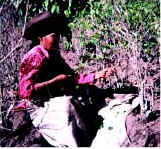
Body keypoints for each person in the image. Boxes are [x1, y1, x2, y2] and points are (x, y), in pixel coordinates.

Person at [14, 12, 115, 147]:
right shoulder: (34, 57)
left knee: (90, 94)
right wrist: (55, 81)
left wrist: (97, 75)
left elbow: (72, 76)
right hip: (36, 106)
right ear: (41, 38)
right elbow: (25, 92)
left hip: (51, 98)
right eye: (53, 36)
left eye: (58, 36)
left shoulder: (54, 54)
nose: (57, 40)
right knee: (67, 106)